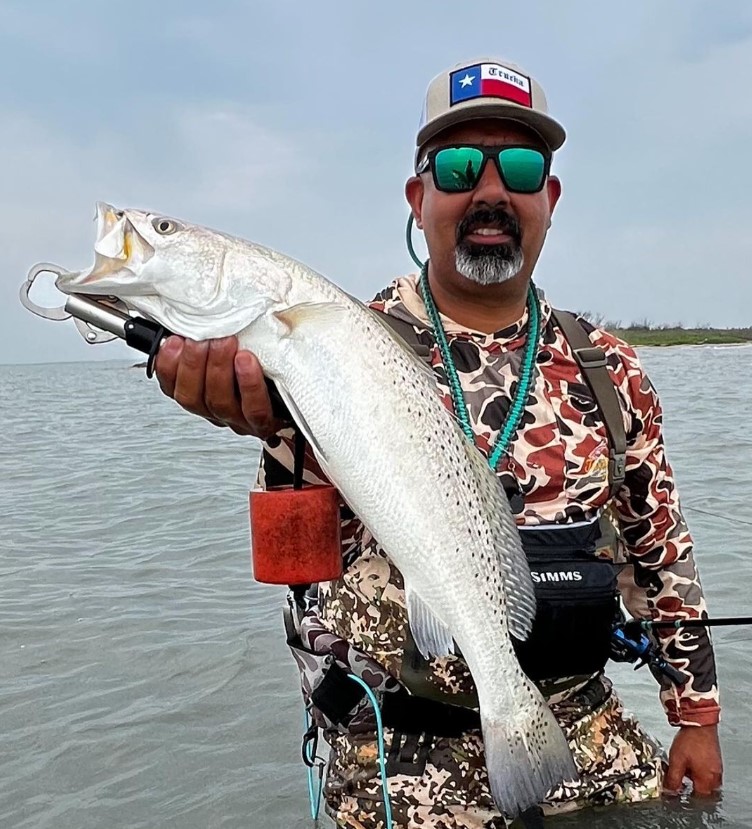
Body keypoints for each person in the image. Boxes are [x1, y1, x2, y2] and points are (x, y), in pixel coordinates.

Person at [154, 57, 723, 828]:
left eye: (519, 166)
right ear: (419, 197)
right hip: (392, 756)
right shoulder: (340, 346)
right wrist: (265, 424)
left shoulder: (608, 366)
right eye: (458, 166)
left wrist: (696, 716)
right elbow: (301, 561)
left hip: (584, 736)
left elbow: (663, 551)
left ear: (550, 199)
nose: (490, 190)